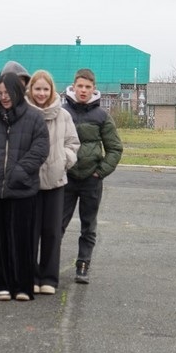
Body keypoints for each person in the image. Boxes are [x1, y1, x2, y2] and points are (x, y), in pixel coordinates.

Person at [0, 71, 49, 301]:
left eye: (7, 93)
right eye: (0, 94)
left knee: (21, 241)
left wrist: (20, 171)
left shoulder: (35, 118)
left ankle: (22, 286)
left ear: (17, 92)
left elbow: (40, 148)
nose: (4, 97)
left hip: (22, 189)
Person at [60, 68, 122, 286]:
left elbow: (115, 148)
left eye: (88, 87)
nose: (83, 90)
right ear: (73, 87)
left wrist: (100, 172)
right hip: (66, 179)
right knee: (57, 224)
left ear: (93, 89)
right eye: (80, 86)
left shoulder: (102, 116)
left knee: (88, 226)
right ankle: (47, 267)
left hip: (90, 180)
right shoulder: (62, 112)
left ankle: (83, 265)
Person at [25, 70, 79, 295]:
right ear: (30, 90)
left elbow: (73, 143)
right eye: (37, 89)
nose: (41, 93)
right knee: (30, 232)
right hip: (30, 183)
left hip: (56, 182)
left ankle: (48, 278)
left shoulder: (63, 115)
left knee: (52, 232)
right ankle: (31, 276)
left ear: (52, 90)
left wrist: (63, 160)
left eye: (45, 89)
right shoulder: (25, 113)